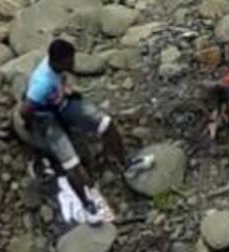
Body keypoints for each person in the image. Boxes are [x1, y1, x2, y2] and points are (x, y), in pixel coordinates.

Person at [21, 38, 148, 218]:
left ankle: (125, 162)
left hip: (61, 103)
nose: (73, 63)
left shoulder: (56, 67)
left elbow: (62, 77)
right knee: (71, 162)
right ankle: (87, 202)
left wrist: (65, 87)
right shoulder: (41, 84)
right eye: (69, 60)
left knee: (105, 123)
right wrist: (31, 125)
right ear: (58, 61)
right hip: (46, 117)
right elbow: (25, 109)